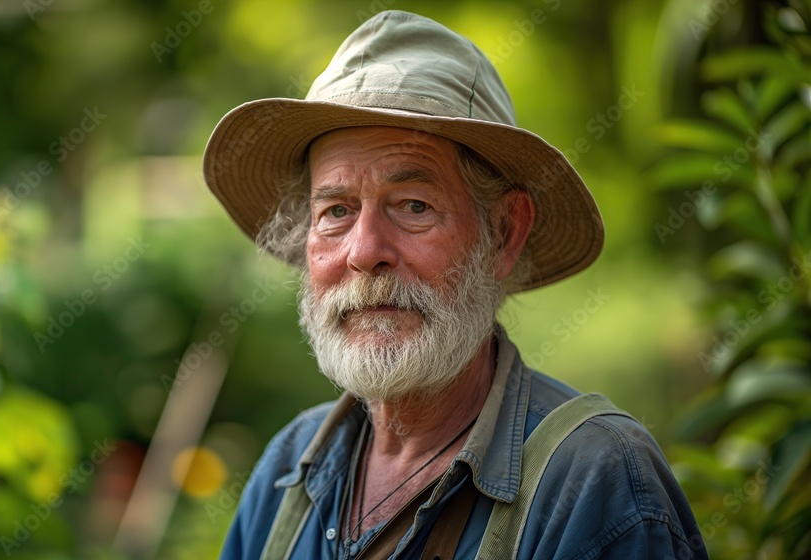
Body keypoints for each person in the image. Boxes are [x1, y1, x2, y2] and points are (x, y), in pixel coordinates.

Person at [202, 10, 708, 560]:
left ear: (504, 233)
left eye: (413, 205)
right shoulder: (288, 470)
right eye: (336, 211)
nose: (364, 252)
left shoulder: (593, 482)